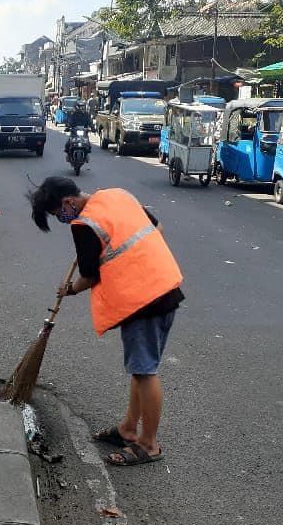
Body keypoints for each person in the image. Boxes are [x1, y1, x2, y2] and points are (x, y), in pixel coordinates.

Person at [28, 177, 184, 467]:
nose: (61, 219)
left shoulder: (84, 224)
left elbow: (90, 276)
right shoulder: (117, 194)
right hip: (165, 289)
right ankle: (127, 429)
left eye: (56, 214)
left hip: (143, 300)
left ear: (67, 203)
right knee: (142, 369)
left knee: (144, 372)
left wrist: (68, 289)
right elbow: (157, 229)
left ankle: (149, 444)